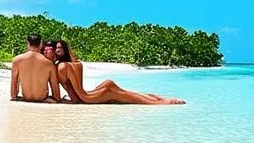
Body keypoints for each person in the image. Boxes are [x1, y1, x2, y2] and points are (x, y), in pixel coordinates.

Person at [53, 39, 184, 105]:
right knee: (126, 94)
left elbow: (78, 95)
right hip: (90, 93)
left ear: (64, 49)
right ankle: (157, 97)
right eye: (55, 48)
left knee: (136, 100)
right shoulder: (75, 63)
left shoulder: (63, 66)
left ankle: (161, 102)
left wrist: (68, 101)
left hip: (88, 97)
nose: (57, 50)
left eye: (59, 48)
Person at [10, 33, 63, 103]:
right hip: (42, 99)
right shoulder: (49, 63)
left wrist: (14, 97)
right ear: (41, 44)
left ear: (28, 43)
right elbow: (56, 94)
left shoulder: (17, 60)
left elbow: (14, 85)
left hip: (26, 99)